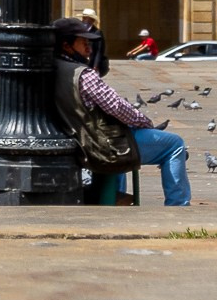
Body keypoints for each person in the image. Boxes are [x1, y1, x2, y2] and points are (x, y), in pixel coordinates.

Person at [52, 16, 189, 207]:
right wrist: (144, 122)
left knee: (120, 148)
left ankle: (116, 197)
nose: (89, 48)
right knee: (174, 144)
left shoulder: (51, 69)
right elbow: (117, 106)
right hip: (100, 146)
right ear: (67, 46)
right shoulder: (84, 74)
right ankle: (179, 206)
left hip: (78, 140)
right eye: (84, 43)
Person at [80, 7, 110, 74]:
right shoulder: (79, 30)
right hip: (80, 62)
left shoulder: (97, 33)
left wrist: (95, 66)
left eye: (86, 18)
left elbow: (99, 51)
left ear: (92, 20)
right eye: (83, 18)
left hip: (91, 63)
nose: (83, 20)